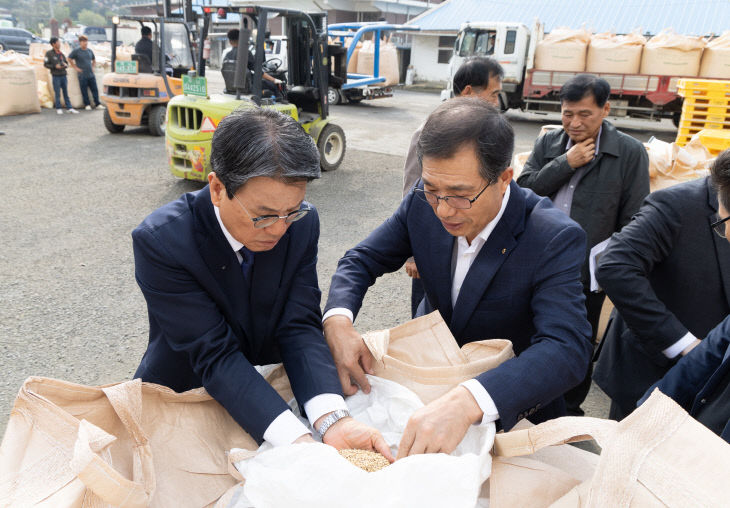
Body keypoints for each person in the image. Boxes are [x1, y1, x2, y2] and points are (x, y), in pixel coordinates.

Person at [323, 97, 592, 458]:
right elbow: (361, 260)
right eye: (434, 190)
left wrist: (470, 400)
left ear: (504, 178)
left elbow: (566, 349)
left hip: (508, 416)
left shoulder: (551, 236)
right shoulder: (422, 203)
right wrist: (338, 322)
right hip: (430, 389)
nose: (444, 209)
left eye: (461, 196)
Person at [132, 108, 392, 458]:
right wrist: (297, 442)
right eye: (264, 215)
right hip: (187, 393)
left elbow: (298, 322)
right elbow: (213, 352)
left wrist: (333, 421)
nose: (279, 229)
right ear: (217, 188)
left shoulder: (302, 224)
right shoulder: (163, 241)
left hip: (273, 385)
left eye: (293, 210)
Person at [517, 74, 650, 416]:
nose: (574, 123)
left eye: (585, 114)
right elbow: (524, 191)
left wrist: (607, 267)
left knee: (577, 340)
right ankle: (529, 402)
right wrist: (566, 162)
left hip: (586, 272)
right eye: (567, 114)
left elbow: (635, 218)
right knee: (530, 332)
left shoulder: (629, 153)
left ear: (605, 109)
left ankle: (568, 409)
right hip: (537, 261)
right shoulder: (550, 144)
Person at [594, 175, 730, 420]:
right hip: (652, 372)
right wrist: (685, 344)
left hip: (713, 387)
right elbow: (614, 266)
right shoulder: (676, 204)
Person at [402, 57, 504, 317]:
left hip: (470, 244)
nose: (496, 103)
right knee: (427, 318)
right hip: (435, 248)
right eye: (493, 94)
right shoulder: (431, 133)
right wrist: (414, 254)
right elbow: (412, 195)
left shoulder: (487, 135)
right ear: (469, 92)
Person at [641, 149, 730, 443]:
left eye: (724, 224)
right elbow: (709, 354)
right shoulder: (672, 203)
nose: (725, 236)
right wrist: (645, 415)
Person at [223, 29, 282, 96]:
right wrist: (274, 80)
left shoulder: (227, 55)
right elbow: (258, 71)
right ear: (241, 39)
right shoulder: (246, 53)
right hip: (249, 86)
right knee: (274, 86)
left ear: (230, 42)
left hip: (232, 87)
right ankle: (280, 101)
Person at [68, 35, 104, 111]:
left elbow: (94, 60)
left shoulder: (89, 51)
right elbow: (69, 58)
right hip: (82, 75)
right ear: (80, 42)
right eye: (84, 41)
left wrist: (93, 67)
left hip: (91, 74)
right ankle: (87, 104)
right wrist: (75, 68)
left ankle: (97, 104)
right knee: (84, 90)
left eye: (86, 41)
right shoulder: (76, 51)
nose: (85, 43)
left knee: (94, 89)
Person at [44, 37, 78, 115]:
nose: (59, 44)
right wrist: (54, 66)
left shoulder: (61, 53)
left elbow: (66, 63)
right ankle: (58, 108)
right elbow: (45, 64)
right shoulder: (49, 54)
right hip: (56, 76)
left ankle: (69, 107)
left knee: (66, 92)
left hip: (63, 75)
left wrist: (65, 65)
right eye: (58, 42)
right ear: (53, 44)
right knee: (57, 92)